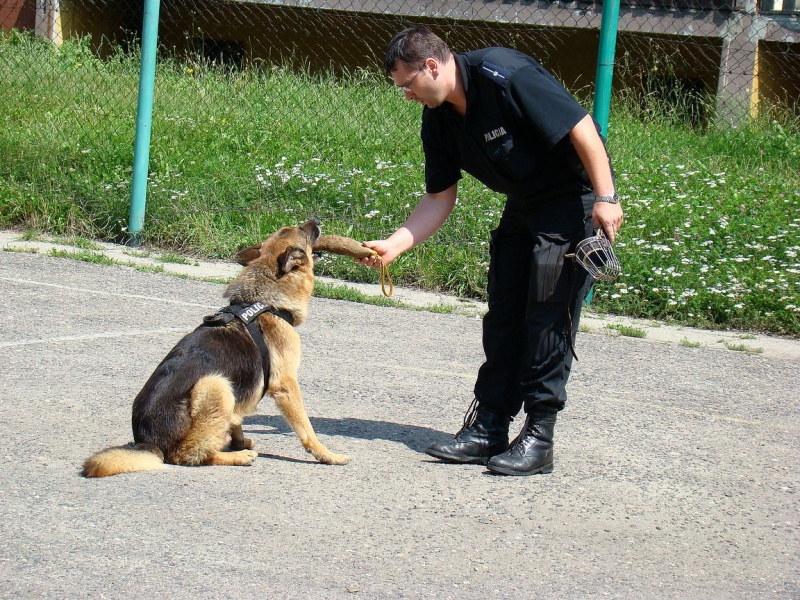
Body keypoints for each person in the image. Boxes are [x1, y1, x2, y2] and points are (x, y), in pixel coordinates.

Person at [359, 27, 624, 476]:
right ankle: (489, 428)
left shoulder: (504, 73)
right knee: (503, 315)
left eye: (408, 85)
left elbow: (581, 127)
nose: (406, 95)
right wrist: (394, 246)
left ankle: (540, 436)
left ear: (432, 66)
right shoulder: (438, 116)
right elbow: (440, 197)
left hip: (570, 201)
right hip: (524, 206)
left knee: (547, 317)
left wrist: (607, 197)